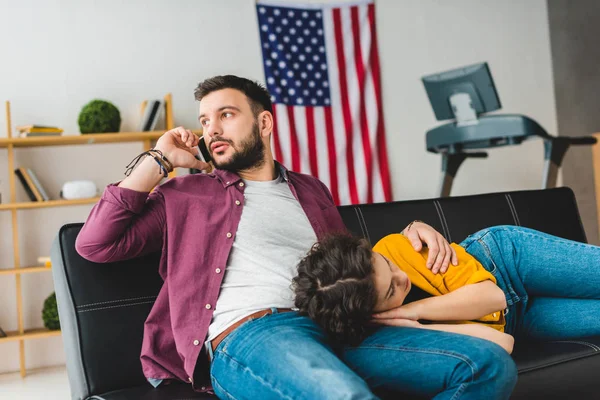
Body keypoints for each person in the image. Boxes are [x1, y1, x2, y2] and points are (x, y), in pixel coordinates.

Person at [75, 75, 517, 400]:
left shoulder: (310, 190)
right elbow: (96, 244)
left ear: (264, 123)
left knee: (486, 366)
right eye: (205, 120)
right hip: (257, 332)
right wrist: (159, 158)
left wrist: (409, 232)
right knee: (341, 396)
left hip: (343, 327)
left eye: (226, 115)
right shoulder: (185, 194)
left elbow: (350, 265)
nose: (211, 129)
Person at [293, 225, 600, 356]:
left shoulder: (398, 246)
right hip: (520, 320)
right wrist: (411, 325)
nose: (403, 277)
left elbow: (493, 297)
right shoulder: (385, 331)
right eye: (391, 291)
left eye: (386, 263)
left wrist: (410, 309)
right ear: (372, 313)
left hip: (507, 262)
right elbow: (502, 342)